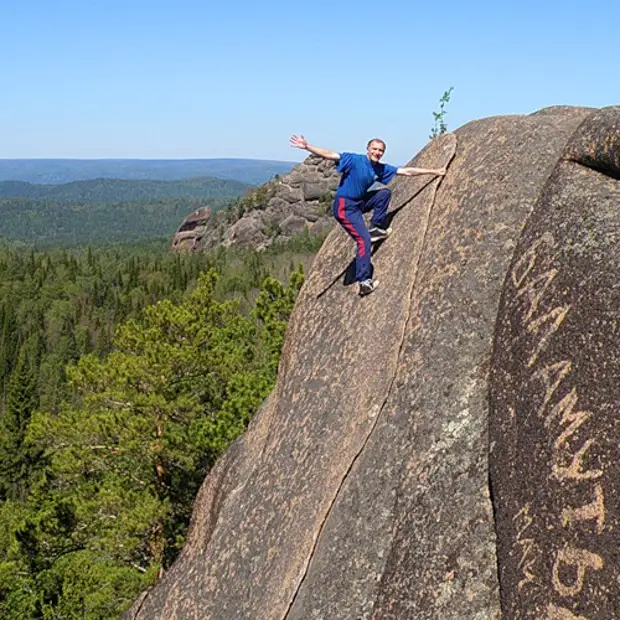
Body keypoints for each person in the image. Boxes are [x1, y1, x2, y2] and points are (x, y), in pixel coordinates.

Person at [290, 135, 446, 296]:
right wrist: (307, 146)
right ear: (368, 149)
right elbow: (330, 154)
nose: (377, 152)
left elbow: (407, 171)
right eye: (375, 149)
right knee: (363, 240)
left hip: (359, 203)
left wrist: (434, 171)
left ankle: (375, 228)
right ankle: (364, 282)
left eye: (380, 150)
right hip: (345, 207)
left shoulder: (380, 168)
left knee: (383, 193)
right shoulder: (354, 160)